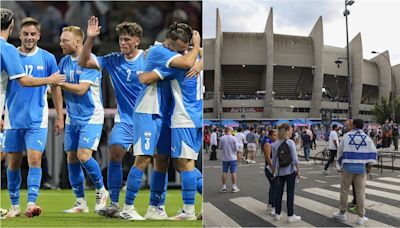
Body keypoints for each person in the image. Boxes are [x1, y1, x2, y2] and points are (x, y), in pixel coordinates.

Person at [120, 22, 201, 220]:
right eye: (180, 48)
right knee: (145, 159)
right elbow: (145, 79)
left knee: (165, 161)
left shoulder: (182, 55)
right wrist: (197, 53)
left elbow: (148, 76)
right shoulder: (159, 52)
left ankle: (156, 208)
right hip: (149, 110)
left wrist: (199, 58)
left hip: (169, 114)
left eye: (186, 48)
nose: (184, 52)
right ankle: (128, 207)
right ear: (170, 43)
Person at [78, 16, 145, 218]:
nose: (123, 43)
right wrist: (90, 39)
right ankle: (115, 203)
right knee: (114, 153)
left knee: (160, 162)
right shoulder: (113, 60)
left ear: (137, 41)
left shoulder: (149, 57)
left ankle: (156, 206)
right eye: (121, 39)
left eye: (127, 39)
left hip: (149, 118)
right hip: (125, 119)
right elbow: (83, 61)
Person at [1, 9, 65, 219]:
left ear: (39, 36)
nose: (29, 37)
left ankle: (31, 203)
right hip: (13, 117)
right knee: (13, 163)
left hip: (37, 118)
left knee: (35, 160)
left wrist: (60, 115)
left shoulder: (47, 58)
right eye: (25, 34)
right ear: (18, 34)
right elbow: (45, 82)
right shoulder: (10, 54)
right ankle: (14, 205)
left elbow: (56, 88)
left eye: (33, 34)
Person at [58, 25, 108, 214]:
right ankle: (80, 201)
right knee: (71, 157)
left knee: (83, 156)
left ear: (78, 42)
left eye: (65, 40)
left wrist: (59, 83)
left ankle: (101, 190)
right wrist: (61, 115)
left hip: (91, 116)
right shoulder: (63, 61)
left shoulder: (90, 61)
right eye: (61, 40)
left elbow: (80, 89)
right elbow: (55, 86)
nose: (61, 43)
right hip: (72, 116)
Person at [333, 119, 377, 225]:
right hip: (361, 169)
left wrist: (339, 166)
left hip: (347, 168)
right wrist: (369, 168)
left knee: (344, 190)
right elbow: (374, 152)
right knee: (360, 193)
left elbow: (340, 151)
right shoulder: (367, 138)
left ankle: (342, 214)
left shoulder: (347, 136)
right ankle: (361, 216)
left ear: (354, 125)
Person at [272, 123, 301, 223]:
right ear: (287, 131)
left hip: (279, 173)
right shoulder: (290, 142)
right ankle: (290, 215)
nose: (292, 131)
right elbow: (295, 159)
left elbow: (274, 161)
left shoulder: (275, 143)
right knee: (290, 193)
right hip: (290, 171)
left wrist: (274, 172)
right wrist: (298, 170)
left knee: (278, 193)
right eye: (291, 130)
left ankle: (277, 214)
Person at [219, 127, 239, 193]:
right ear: (230, 131)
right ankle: (234, 186)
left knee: (224, 172)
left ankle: (224, 186)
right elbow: (236, 149)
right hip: (233, 157)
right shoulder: (234, 138)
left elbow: (220, 147)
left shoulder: (222, 138)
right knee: (233, 172)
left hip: (225, 158)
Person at [263, 130, 277, 216]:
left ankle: (270, 204)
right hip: (269, 168)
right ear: (270, 136)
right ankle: (273, 207)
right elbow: (267, 158)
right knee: (275, 187)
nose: (276, 137)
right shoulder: (268, 144)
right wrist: (273, 169)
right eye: (275, 135)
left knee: (273, 186)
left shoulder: (274, 143)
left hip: (273, 168)